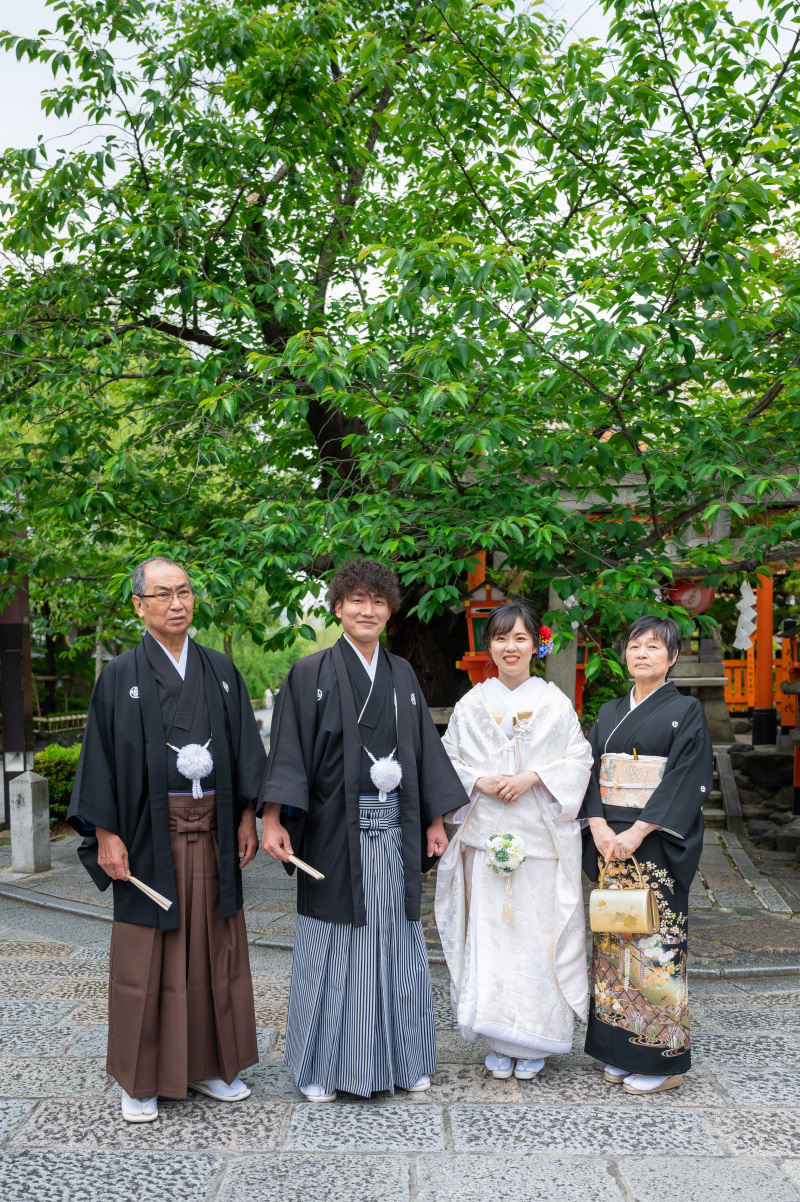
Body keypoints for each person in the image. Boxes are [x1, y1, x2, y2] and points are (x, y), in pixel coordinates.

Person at [259, 558, 467, 1102]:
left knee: (396, 942)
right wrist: (273, 817)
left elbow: (424, 751)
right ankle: (320, 1069)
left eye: (378, 602)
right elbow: (287, 753)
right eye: (357, 600)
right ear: (338, 608)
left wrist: (435, 820)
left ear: (390, 610)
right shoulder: (309, 673)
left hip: (394, 832)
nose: (368, 610)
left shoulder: (401, 675)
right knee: (332, 944)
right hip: (331, 832)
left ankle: (404, 1059)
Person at [68, 557, 266, 1123]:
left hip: (213, 827)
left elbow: (245, 752)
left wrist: (248, 815)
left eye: (184, 592)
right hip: (147, 831)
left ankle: (209, 1066)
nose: (176, 603)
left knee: (213, 944)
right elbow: (100, 760)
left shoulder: (222, 671)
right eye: (162, 594)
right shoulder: (119, 676)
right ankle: (140, 1079)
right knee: (146, 953)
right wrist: (106, 833)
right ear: (139, 605)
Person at [435, 602, 593, 1081]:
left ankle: (538, 1038)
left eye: (520, 638)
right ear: (490, 647)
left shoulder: (554, 703)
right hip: (486, 840)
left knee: (537, 939)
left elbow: (579, 759)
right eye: (501, 639)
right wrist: (479, 780)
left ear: (536, 645)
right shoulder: (471, 704)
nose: (510, 647)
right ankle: (497, 1037)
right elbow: (448, 760)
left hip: (539, 842)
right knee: (492, 940)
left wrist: (535, 775)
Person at [580, 614, 713, 1095]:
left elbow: (685, 778)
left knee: (654, 946)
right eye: (635, 645)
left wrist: (637, 830)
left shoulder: (687, 711)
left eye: (654, 647)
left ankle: (662, 1061)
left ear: (672, 657)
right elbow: (588, 771)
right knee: (613, 945)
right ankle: (618, 1048)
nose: (642, 653)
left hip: (653, 842)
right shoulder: (611, 712)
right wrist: (597, 825)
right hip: (610, 843)